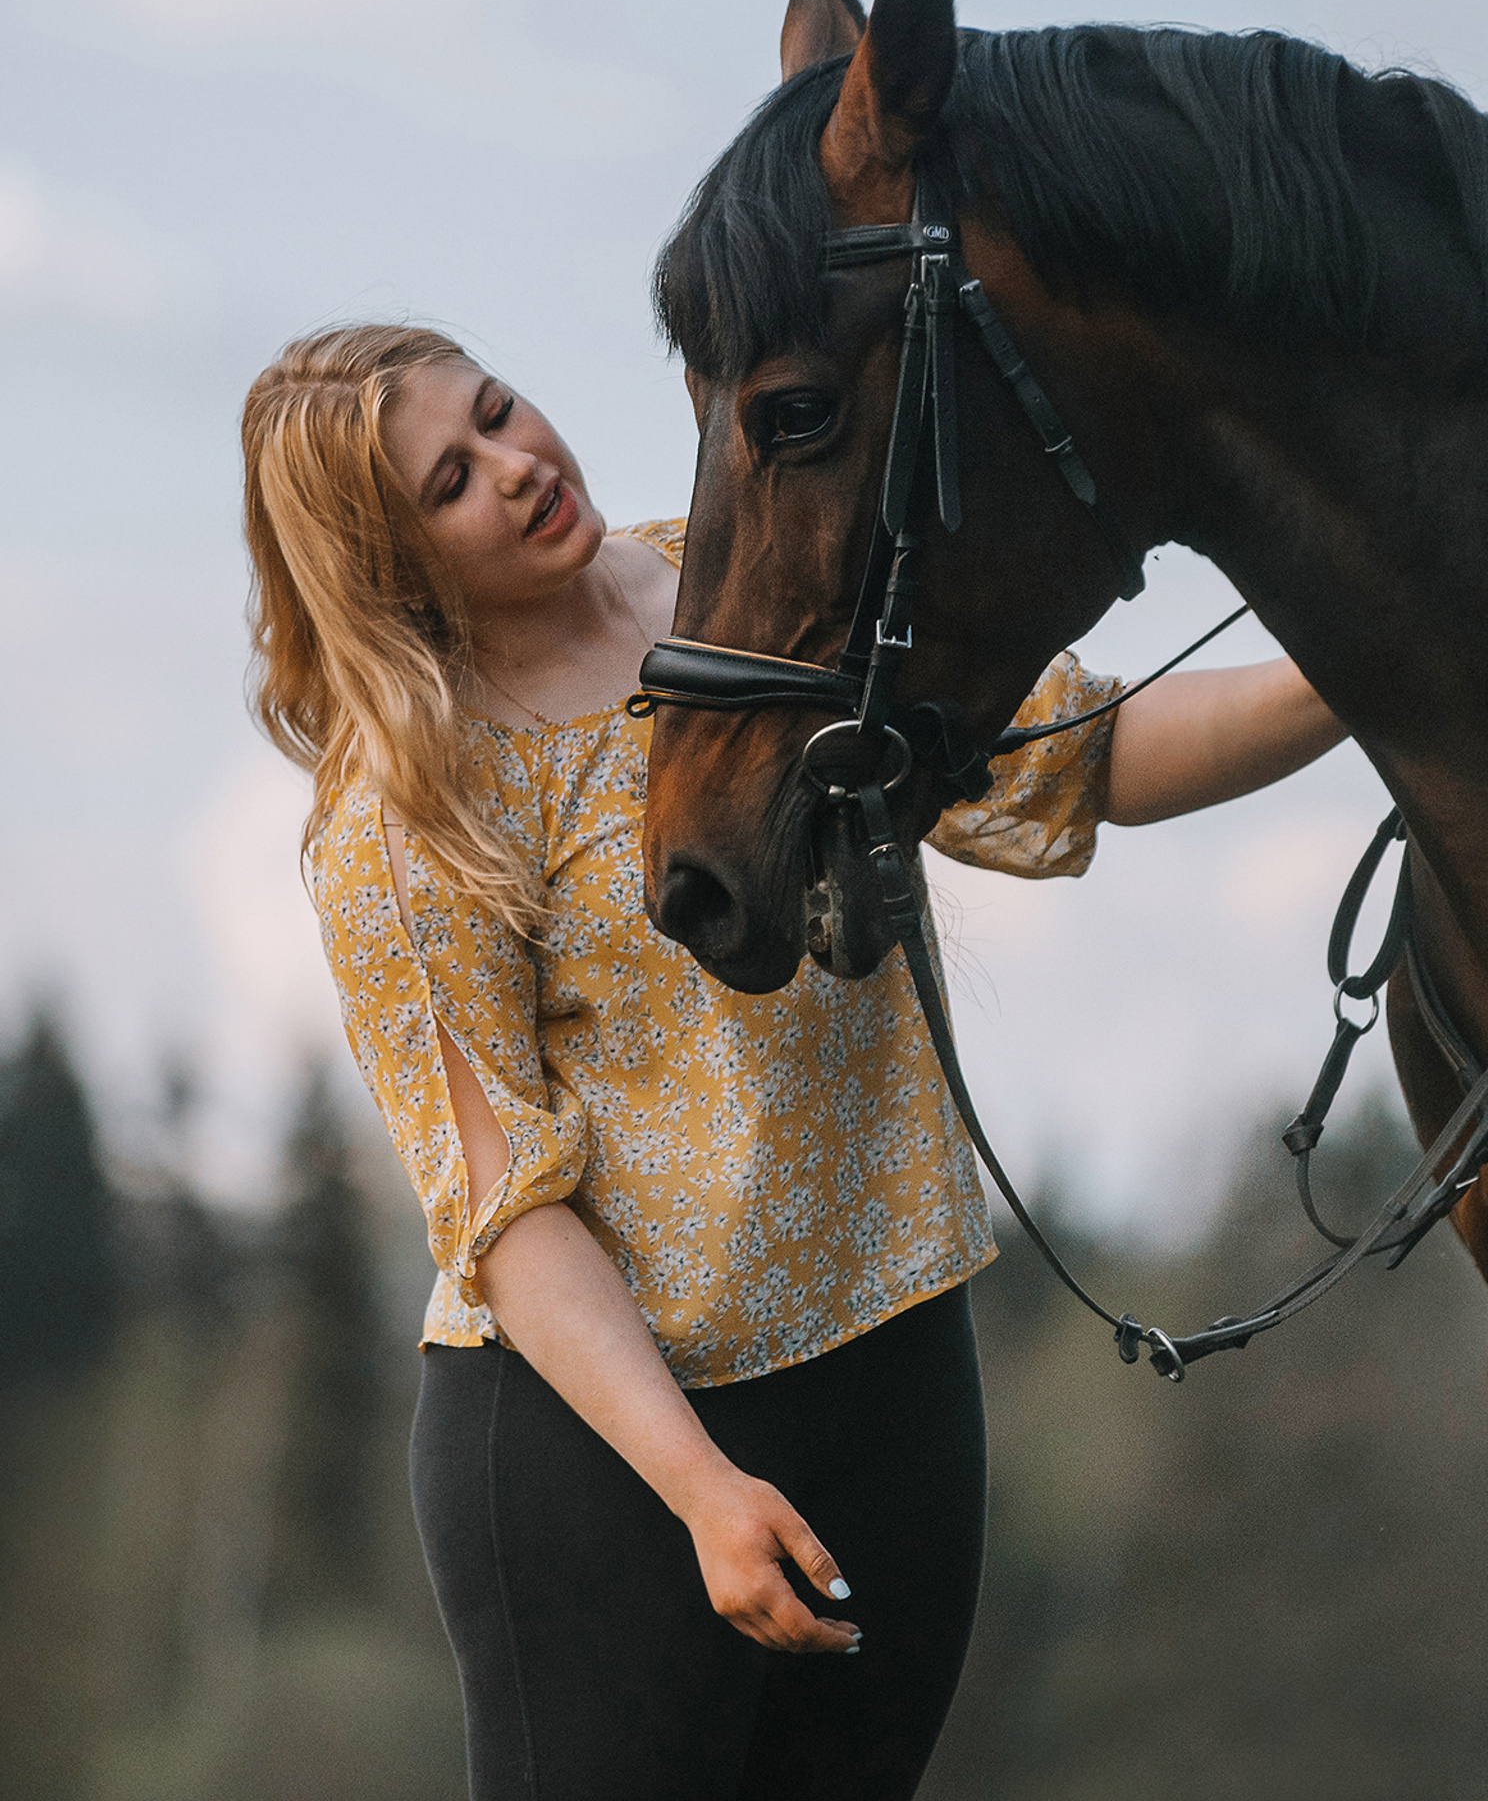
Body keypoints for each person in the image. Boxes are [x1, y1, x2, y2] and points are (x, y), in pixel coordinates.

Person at [240, 321, 1343, 1801]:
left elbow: (1078, 756)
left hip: (894, 1371)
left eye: (500, 413)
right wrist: (701, 1492)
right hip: (613, 1460)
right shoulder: (407, 813)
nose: (515, 466)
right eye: (452, 480)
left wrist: (1370, 674)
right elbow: (503, 1211)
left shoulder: (752, 587)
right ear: (390, 566)